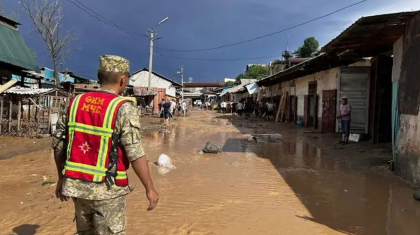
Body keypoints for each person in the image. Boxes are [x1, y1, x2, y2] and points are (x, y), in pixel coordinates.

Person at [52, 55, 159, 235]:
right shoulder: (123, 107)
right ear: (123, 79)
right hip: (108, 190)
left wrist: (61, 178)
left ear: (99, 77)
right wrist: (150, 189)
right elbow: (135, 153)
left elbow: (58, 144)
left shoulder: (75, 102)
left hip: (77, 186)